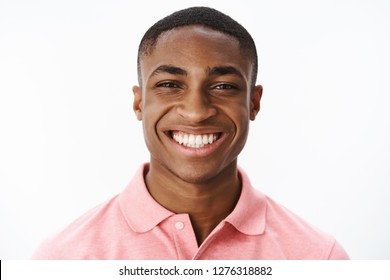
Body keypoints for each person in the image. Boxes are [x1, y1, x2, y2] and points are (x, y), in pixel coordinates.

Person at [32, 6, 349, 260]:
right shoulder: (63, 260)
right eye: (170, 85)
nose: (197, 112)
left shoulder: (319, 258)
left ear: (253, 103)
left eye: (224, 86)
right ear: (139, 102)